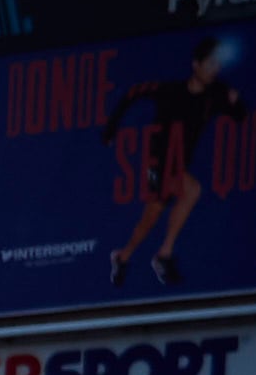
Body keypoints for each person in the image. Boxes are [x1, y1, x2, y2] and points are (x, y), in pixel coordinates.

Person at [104, 36, 247, 287]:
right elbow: (133, 93)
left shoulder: (215, 95)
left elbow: (239, 115)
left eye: (217, 66)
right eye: (210, 65)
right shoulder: (170, 91)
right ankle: (132, 256)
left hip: (179, 164)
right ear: (196, 65)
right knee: (155, 213)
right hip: (158, 162)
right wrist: (112, 128)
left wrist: (237, 103)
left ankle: (149, 254)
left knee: (184, 195)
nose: (215, 70)